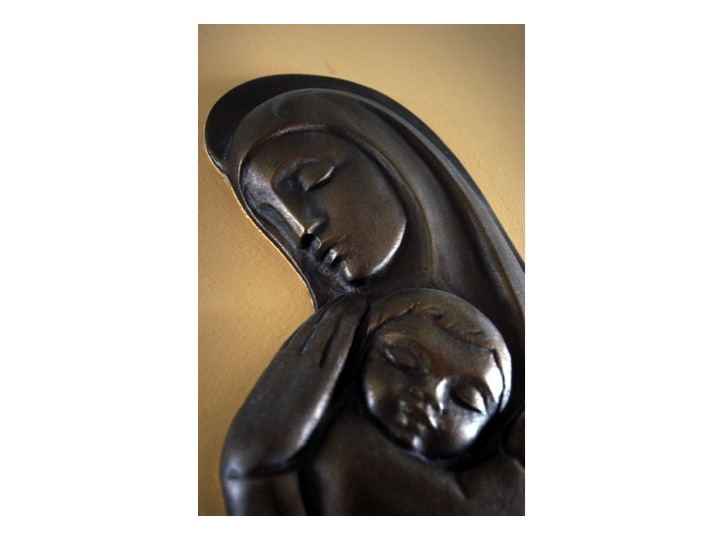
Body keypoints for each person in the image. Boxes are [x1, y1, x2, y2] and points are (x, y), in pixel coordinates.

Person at [221, 290, 524, 515]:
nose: (431, 396)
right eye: (404, 362)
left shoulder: (503, 485)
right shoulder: (332, 449)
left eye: (466, 400)